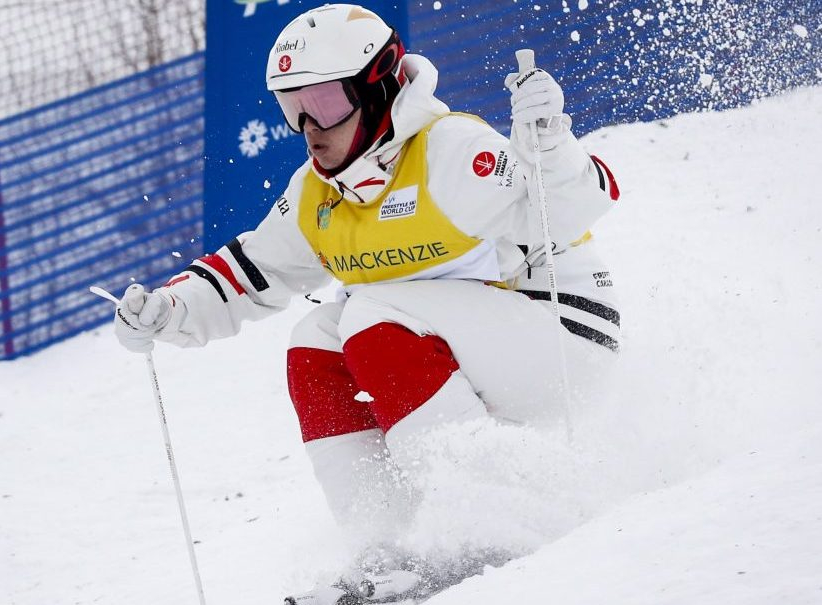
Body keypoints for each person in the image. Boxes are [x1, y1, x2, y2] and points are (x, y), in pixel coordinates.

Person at [114, 2, 620, 599]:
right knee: (315, 340)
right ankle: (388, 548)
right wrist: (170, 310)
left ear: (379, 85)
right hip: (475, 359)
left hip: (562, 337)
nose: (310, 128)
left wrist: (552, 146)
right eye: (292, 108)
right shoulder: (318, 195)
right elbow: (254, 268)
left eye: (325, 103)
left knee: (371, 317)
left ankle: (495, 518)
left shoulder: (450, 151)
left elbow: (571, 209)